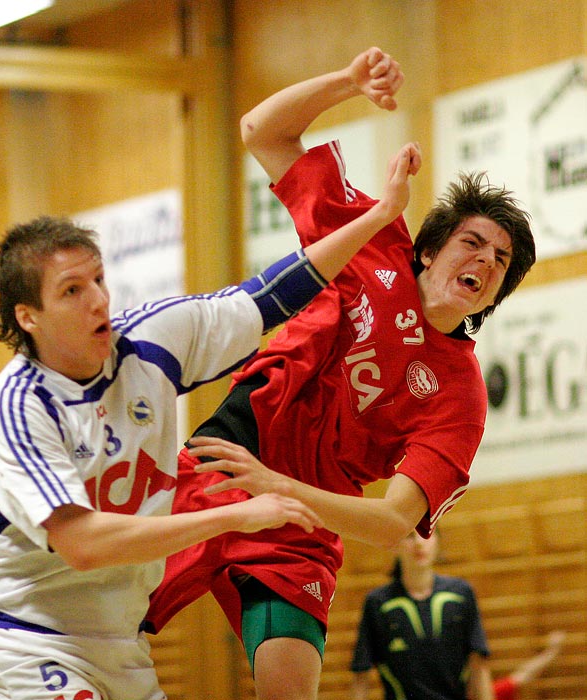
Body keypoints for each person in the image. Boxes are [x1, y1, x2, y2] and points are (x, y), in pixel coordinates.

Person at [0, 129, 419, 700]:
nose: (100, 300)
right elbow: (83, 544)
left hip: (121, 645)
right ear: (29, 317)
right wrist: (229, 518)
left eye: (99, 279)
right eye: (73, 291)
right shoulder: (19, 407)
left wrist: (381, 216)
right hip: (28, 639)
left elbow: (272, 294)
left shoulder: (153, 339)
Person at [144, 46, 536, 700]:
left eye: (500, 262)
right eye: (473, 242)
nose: (486, 262)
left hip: (297, 527)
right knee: (95, 625)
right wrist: (349, 83)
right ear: (431, 247)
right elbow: (260, 131)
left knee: (288, 686)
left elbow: (392, 522)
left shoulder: (461, 397)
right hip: (221, 463)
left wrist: (280, 490)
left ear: (494, 296)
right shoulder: (370, 240)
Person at [350, 530, 493, 700]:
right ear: (395, 544)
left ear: (438, 540)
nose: (419, 543)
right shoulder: (377, 602)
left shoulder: (461, 593)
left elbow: (479, 666)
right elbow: (361, 674)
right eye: (410, 536)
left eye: (426, 533)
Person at [492, 630, 566, 700]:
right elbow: (525, 674)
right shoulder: (493, 692)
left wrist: (550, 654)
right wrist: (551, 653)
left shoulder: (494, 691)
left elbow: (525, 674)